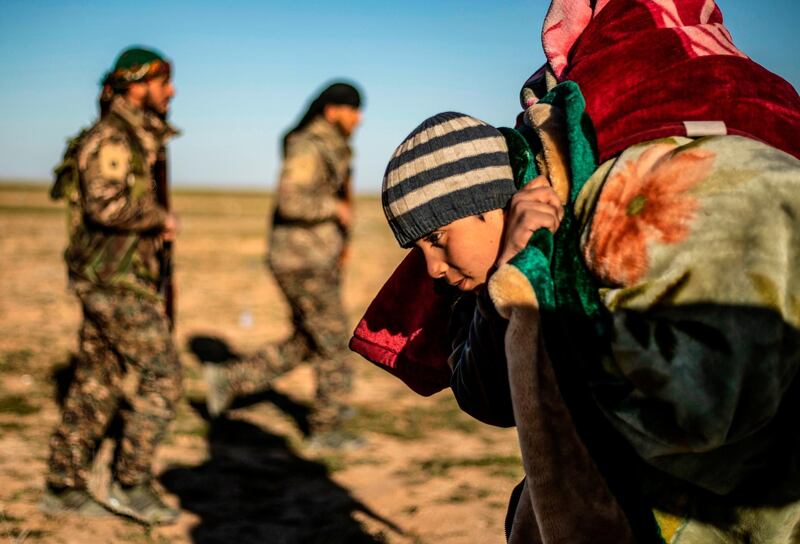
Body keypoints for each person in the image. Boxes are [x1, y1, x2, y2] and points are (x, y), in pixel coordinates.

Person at [370, 2, 800, 535]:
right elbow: (486, 398)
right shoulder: (470, 302)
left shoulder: (585, 221)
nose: (432, 268)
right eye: (420, 251)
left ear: (491, 206)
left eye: (437, 238)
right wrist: (503, 284)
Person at [41, 46, 182, 525]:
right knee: (164, 376)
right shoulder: (113, 139)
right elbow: (105, 205)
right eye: (163, 82)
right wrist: (160, 217)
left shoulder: (137, 136)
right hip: (114, 282)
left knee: (96, 383)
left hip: (115, 279)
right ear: (136, 85)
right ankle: (130, 482)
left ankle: (63, 487)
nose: (171, 91)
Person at [205, 82, 363, 446]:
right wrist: (334, 209)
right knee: (332, 339)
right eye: (353, 109)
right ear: (332, 110)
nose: (359, 118)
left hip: (314, 256)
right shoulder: (309, 145)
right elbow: (291, 201)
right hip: (302, 258)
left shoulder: (331, 146)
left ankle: (229, 380)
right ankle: (326, 428)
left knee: (308, 340)